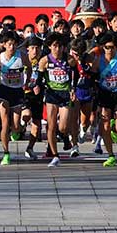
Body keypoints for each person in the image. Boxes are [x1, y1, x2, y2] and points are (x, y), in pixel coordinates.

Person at [0, 31, 32, 165]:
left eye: (14, 44)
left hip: (17, 91)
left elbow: (28, 68)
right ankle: (6, 153)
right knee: (5, 122)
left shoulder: (22, 56)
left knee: (16, 125)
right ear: (4, 45)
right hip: (4, 91)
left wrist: (27, 81)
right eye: (9, 44)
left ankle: (16, 131)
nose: (11, 47)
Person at [39, 33, 76, 167]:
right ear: (49, 46)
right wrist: (38, 86)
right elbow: (39, 77)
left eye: (60, 46)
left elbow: (75, 75)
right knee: (51, 126)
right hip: (51, 94)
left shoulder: (70, 59)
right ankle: (55, 155)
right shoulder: (45, 60)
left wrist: (73, 89)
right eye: (54, 46)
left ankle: (65, 136)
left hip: (65, 93)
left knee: (63, 126)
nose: (57, 49)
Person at [93, 33, 117, 168]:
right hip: (105, 94)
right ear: (103, 47)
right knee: (105, 126)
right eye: (107, 47)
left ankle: (116, 126)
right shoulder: (98, 60)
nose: (110, 50)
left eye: (112, 47)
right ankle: (111, 155)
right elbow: (92, 75)